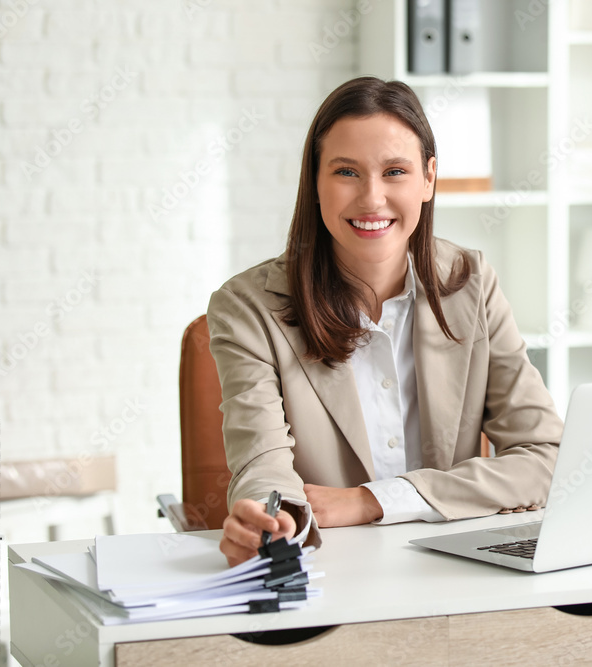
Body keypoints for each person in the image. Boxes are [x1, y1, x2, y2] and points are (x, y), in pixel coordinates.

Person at [208, 76, 563, 567]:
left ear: (429, 178)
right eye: (346, 172)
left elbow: (545, 456)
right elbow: (262, 462)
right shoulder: (245, 308)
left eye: (395, 171)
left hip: (456, 568)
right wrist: (275, 519)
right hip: (332, 567)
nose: (372, 199)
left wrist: (375, 499)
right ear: (315, 181)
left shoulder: (472, 284)